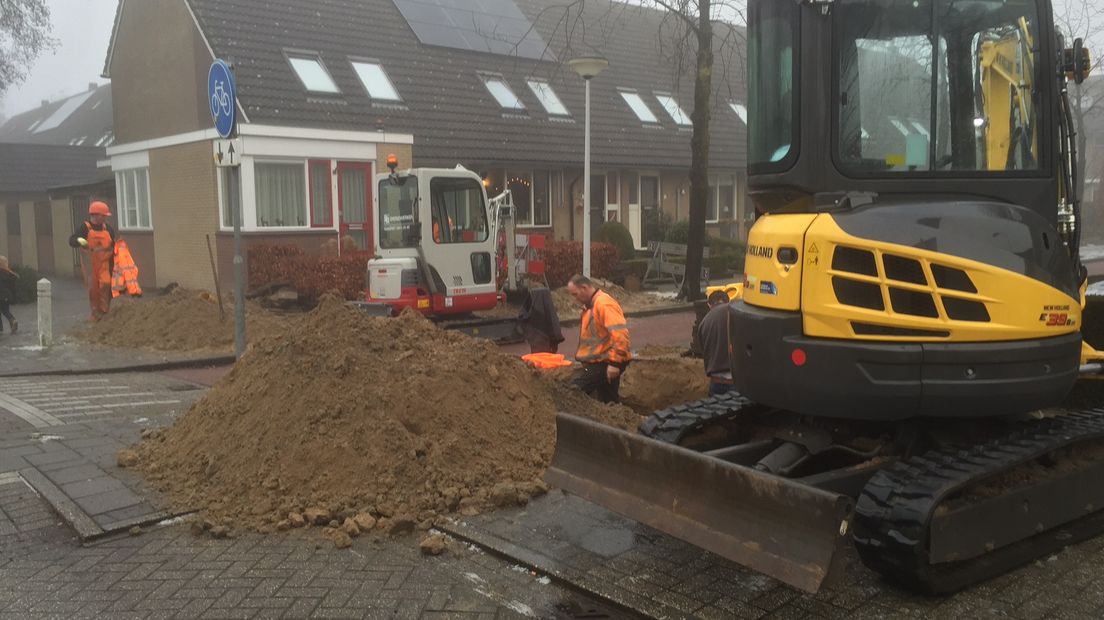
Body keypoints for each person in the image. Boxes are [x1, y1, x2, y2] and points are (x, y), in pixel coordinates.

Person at [567, 275, 632, 403]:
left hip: (606, 361)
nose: (575, 299)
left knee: (573, 391)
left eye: (575, 294)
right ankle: (611, 420)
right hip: (602, 361)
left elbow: (620, 334)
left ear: (584, 288)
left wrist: (614, 364)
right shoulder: (592, 306)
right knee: (608, 400)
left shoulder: (604, 304)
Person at [69, 201, 117, 321]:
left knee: (106, 284)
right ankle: (96, 314)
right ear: (96, 215)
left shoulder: (108, 229)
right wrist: (80, 240)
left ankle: (105, 311)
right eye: (104, 215)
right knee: (93, 290)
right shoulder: (85, 227)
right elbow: (72, 240)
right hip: (90, 265)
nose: (105, 218)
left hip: (105, 264)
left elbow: (114, 244)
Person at [698, 290, 735, 396]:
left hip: (716, 382)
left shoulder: (703, 323)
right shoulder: (735, 314)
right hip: (734, 382)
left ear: (709, 305)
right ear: (728, 301)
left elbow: (705, 352)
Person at [517, 281, 563, 354]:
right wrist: (556, 340)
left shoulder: (529, 307)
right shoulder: (547, 305)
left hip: (536, 343)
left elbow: (522, 319)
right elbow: (554, 324)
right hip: (547, 343)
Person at [0, 256, 19, 334]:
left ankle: (0, 329)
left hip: (0, 294)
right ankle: (13, 321)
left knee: (4, 310)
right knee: (5, 310)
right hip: (7, 295)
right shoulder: (9, 273)